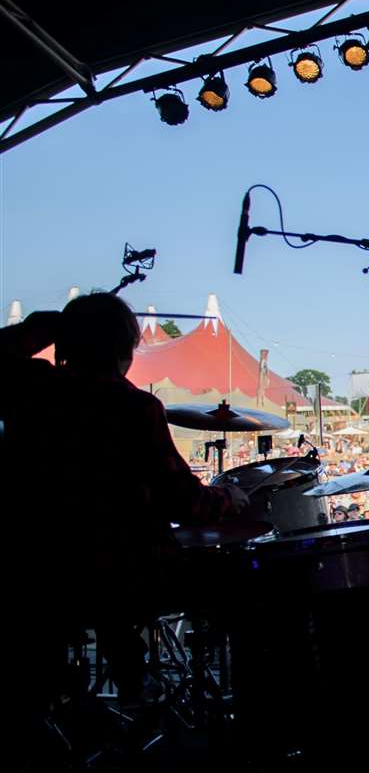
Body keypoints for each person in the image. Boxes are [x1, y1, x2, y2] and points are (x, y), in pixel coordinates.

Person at [1, 295, 252, 711]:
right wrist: (231, 497)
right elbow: (184, 503)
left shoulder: (29, 388)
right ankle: (166, 693)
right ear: (124, 350)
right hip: (122, 575)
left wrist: (34, 330)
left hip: (36, 573)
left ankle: (113, 679)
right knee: (239, 577)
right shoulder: (134, 407)